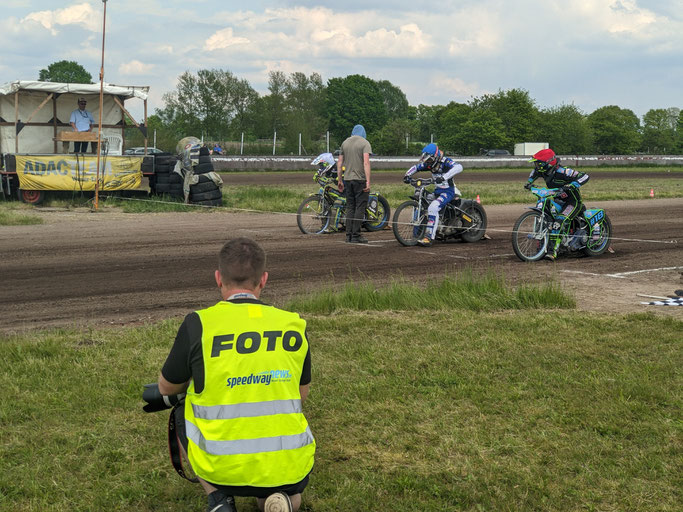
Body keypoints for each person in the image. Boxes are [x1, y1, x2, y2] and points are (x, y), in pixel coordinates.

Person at [158, 237, 315, 512]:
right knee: (284, 490)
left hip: (220, 464)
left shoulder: (199, 324)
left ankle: (219, 499)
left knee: (182, 407)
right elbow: (301, 395)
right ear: (263, 280)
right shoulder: (293, 324)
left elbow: (166, 388)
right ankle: (282, 500)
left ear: (218, 278)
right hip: (287, 464)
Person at [526, 148, 590, 260]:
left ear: (547, 163)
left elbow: (585, 176)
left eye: (538, 163)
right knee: (546, 214)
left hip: (572, 202)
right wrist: (529, 182)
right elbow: (534, 173)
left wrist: (573, 184)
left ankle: (552, 251)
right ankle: (542, 246)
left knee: (558, 221)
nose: (536, 166)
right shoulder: (542, 171)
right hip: (557, 200)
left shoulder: (563, 171)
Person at [403, 143, 463, 247]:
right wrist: (407, 175)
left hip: (448, 191)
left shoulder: (445, 161)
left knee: (433, 208)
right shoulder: (430, 163)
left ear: (435, 156)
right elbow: (416, 167)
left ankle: (429, 237)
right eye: (427, 161)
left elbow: (459, 167)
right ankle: (416, 235)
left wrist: (444, 177)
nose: (428, 163)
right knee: (421, 207)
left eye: (429, 160)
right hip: (437, 191)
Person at [337, 124, 371, 243]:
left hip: (347, 179)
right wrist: (368, 181)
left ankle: (348, 235)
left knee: (350, 206)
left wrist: (340, 180)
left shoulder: (345, 143)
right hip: (360, 179)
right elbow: (366, 163)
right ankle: (356, 235)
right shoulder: (364, 143)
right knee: (360, 207)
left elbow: (340, 162)